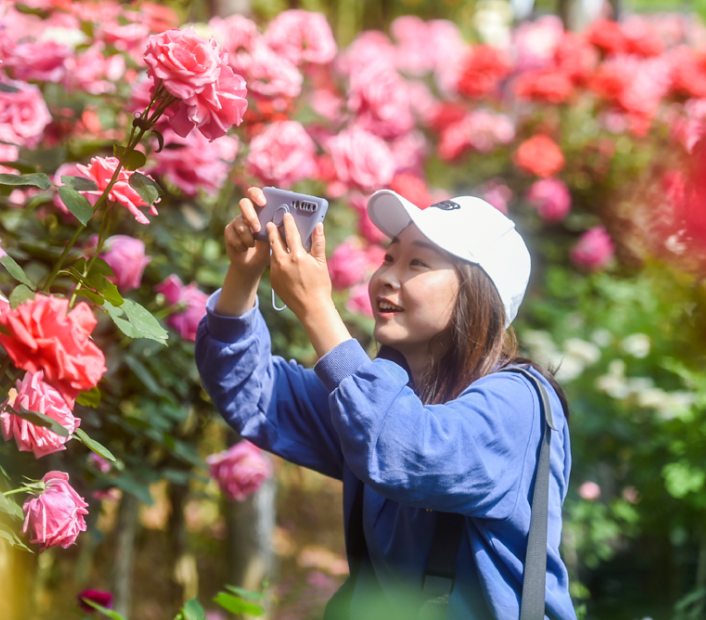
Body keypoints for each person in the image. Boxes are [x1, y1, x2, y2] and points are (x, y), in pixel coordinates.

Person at [194, 187, 576, 620]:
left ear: (477, 293)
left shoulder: (517, 403)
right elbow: (251, 391)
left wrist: (318, 309)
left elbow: (408, 451)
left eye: (417, 262)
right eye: (388, 258)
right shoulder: (381, 393)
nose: (388, 277)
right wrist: (243, 277)